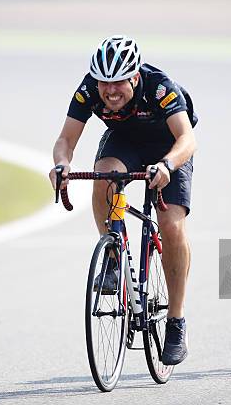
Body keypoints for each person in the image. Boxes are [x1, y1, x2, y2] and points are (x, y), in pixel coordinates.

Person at [49, 35, 197, 365]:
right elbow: (66, 139)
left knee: (171, 226)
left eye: (118, 83)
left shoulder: (159, 87)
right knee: (104, 178)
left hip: (169, 148)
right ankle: (114, 254)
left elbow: (187, 138)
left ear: (134, 77)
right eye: (104, 84)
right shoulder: (89, 89)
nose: (110, 91)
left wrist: (168, 165)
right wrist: (61, 164)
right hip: (126, 142)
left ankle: (176, 320)